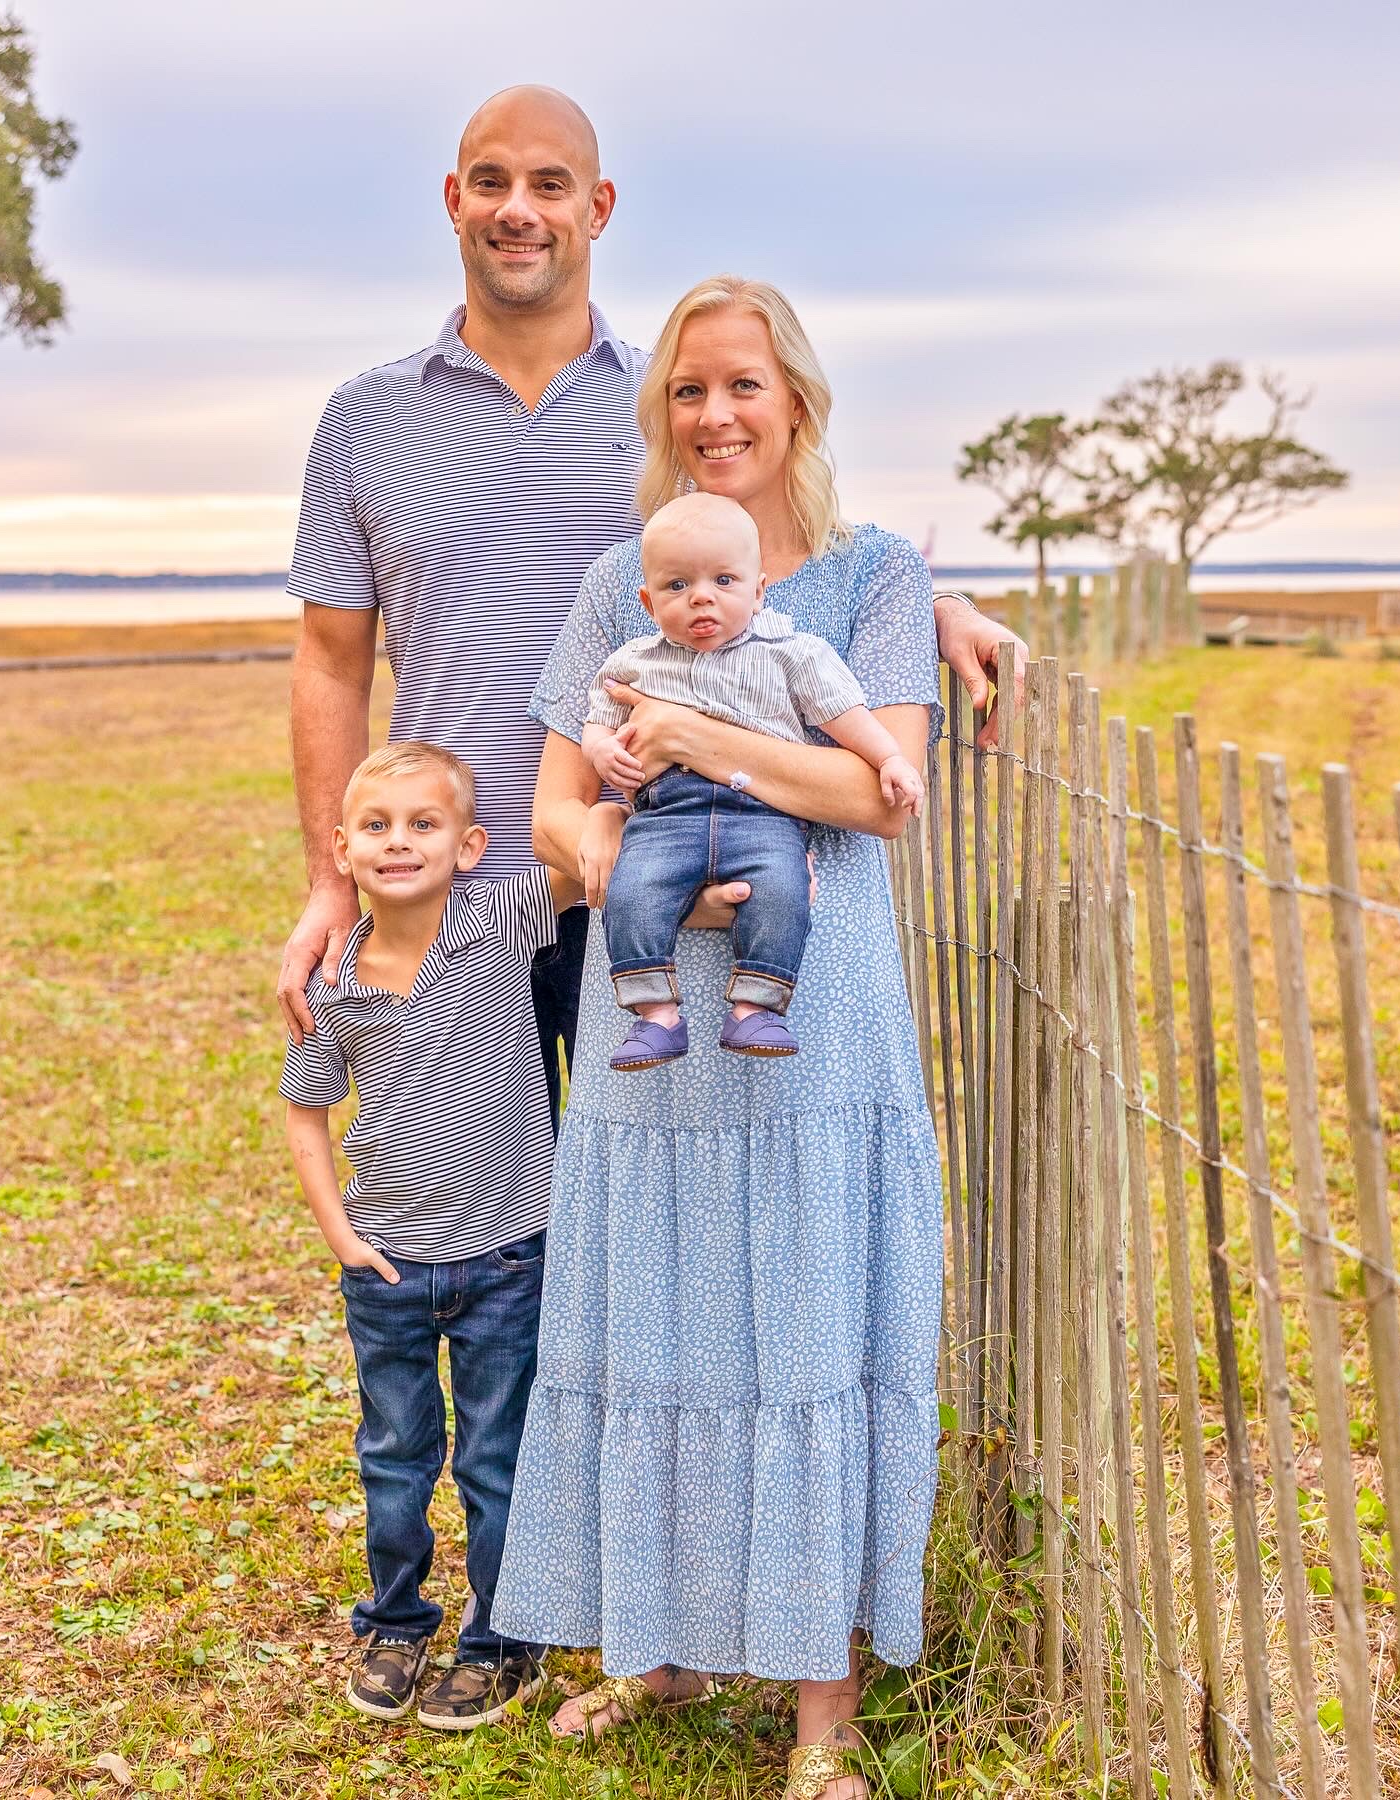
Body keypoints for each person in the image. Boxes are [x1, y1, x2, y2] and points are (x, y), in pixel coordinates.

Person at [275, 83, 1027, 1129]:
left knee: (613, 1186)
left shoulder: (670, 409)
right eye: (491, 183)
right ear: (453, 200)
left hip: (643, 871)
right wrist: (331, 884)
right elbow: (329, 662)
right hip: (446, 892)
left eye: (550, 185)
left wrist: (938, 607)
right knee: (458, 1206)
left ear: (599, 208)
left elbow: (780, 550)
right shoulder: (366, 420)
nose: (518, 210)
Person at [489, 275, 952, 1800]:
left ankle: (822, 1713)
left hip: (817, 1020)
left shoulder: (877, 575)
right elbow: (557, 808)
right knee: (656, 1324)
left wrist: (694, 739)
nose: (716, 414)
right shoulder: (620, 582)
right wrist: (622, 863)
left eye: (744, 384)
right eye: (689, 389)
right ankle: (660, 1647)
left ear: (797, 402)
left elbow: (873, 792)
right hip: (651, 1017)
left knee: (809, 1330)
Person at [280, 741, 611, 1728]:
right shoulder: (334, 981)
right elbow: (306, 1114)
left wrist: (609, 805)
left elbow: (579, 858)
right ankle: (394, 1623)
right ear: (342, 850)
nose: (399, 842)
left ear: (469, 847)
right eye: (377, 826)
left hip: (507, 1257)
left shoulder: (503, 921)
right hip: (386, 1268)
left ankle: (501, 1642)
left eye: (424, 825)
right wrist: (341, 1236)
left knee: (494, 1461)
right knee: (394, 1456)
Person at [580, 491, 924, 1069]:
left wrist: (890, 759)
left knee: (785, 890)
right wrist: (601, 750)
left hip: (762, 812)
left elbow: (847, 717)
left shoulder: (793, 652)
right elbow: (598, 722)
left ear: (758, 590)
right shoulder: (633, 662)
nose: (701, 597)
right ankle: (655, 1014)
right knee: (632, 891)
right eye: (677, 586)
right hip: (666, 814)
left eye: (724, 580)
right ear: (648, 601)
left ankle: (756, 1006)